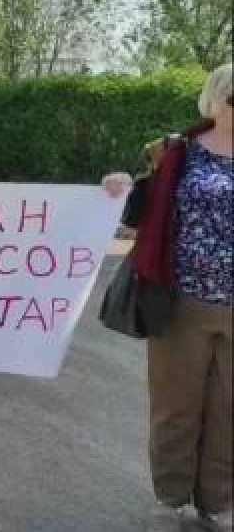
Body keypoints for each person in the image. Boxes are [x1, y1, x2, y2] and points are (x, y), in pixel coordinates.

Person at [107, 63, 232, 532]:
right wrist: (115, 187)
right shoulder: (174, 151)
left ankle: (218, 503)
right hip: (181, 302)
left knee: (229, 411)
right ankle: (170, 499)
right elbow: (136, 206)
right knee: (176, 407)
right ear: (215, 100)